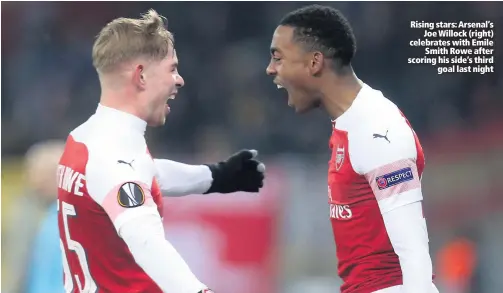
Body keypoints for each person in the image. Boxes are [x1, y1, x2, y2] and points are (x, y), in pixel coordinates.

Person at [58, 9, 264, 293]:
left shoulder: (84, 138)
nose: (179, 80)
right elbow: (145, 241)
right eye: (172, 68)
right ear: (140, 76)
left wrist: (215, 176)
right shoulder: (116, 156)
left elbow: (145, 173)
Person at [266, 5, 438, 293]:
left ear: (314, 62)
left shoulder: (377, 129)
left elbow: (414, 252)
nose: (271, 69)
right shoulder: (350, 123)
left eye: (278, 58)